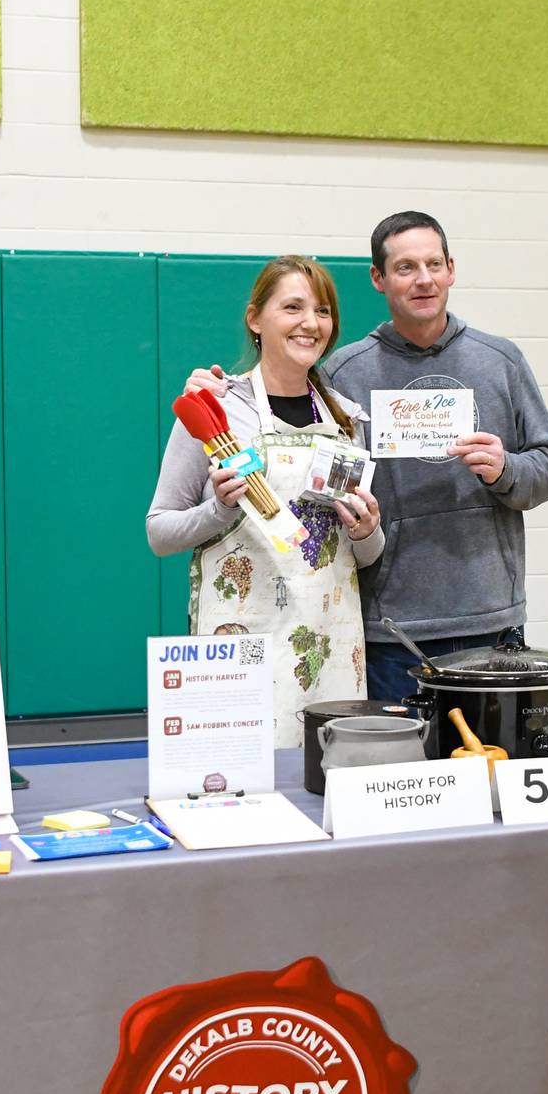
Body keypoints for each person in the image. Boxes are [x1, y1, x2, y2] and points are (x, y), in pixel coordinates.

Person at [190, 213, 548, 701]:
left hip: (490, 616)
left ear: (452, 268)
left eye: (434, 263)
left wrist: (507, 469)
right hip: (387, 626)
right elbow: (278, 412)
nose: (424, 279)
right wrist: (216, 390)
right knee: (399, 770)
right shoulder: (342, 374)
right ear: (378, 278)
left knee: (489, 762)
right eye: (406, 267)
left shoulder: (501, 361)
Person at [148, 256, 383, 747]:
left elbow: (363, 555)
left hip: (331, 648)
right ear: (256, 318)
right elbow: (159, 532)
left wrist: (367, 532)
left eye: (322, 311)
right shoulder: (216, 409)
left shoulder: (347, 420)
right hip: (243, 649)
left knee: (328, 787)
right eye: (292, 307)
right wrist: (220, 510)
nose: (310, 323)